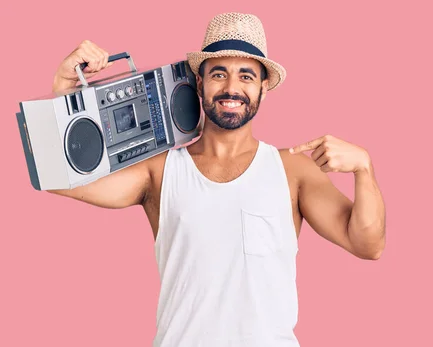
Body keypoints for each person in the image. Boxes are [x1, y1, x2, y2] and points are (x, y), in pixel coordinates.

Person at [50, 12, 386, 347]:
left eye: (246, 76)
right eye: (219, 74)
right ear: (200, 82)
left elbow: (368, 244)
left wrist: (364, 169)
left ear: (263, 87)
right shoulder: (160, 170)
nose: (231, 88)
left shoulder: (293, 170)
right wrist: (64, 85)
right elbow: (59, 178)